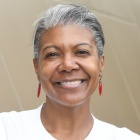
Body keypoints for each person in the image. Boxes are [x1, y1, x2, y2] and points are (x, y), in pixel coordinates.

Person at [0, 4, 140, 140]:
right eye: (53, 54)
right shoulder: (5, 130)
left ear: (100, 64)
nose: (68, 65)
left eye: (81, 52)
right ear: (37, 67)